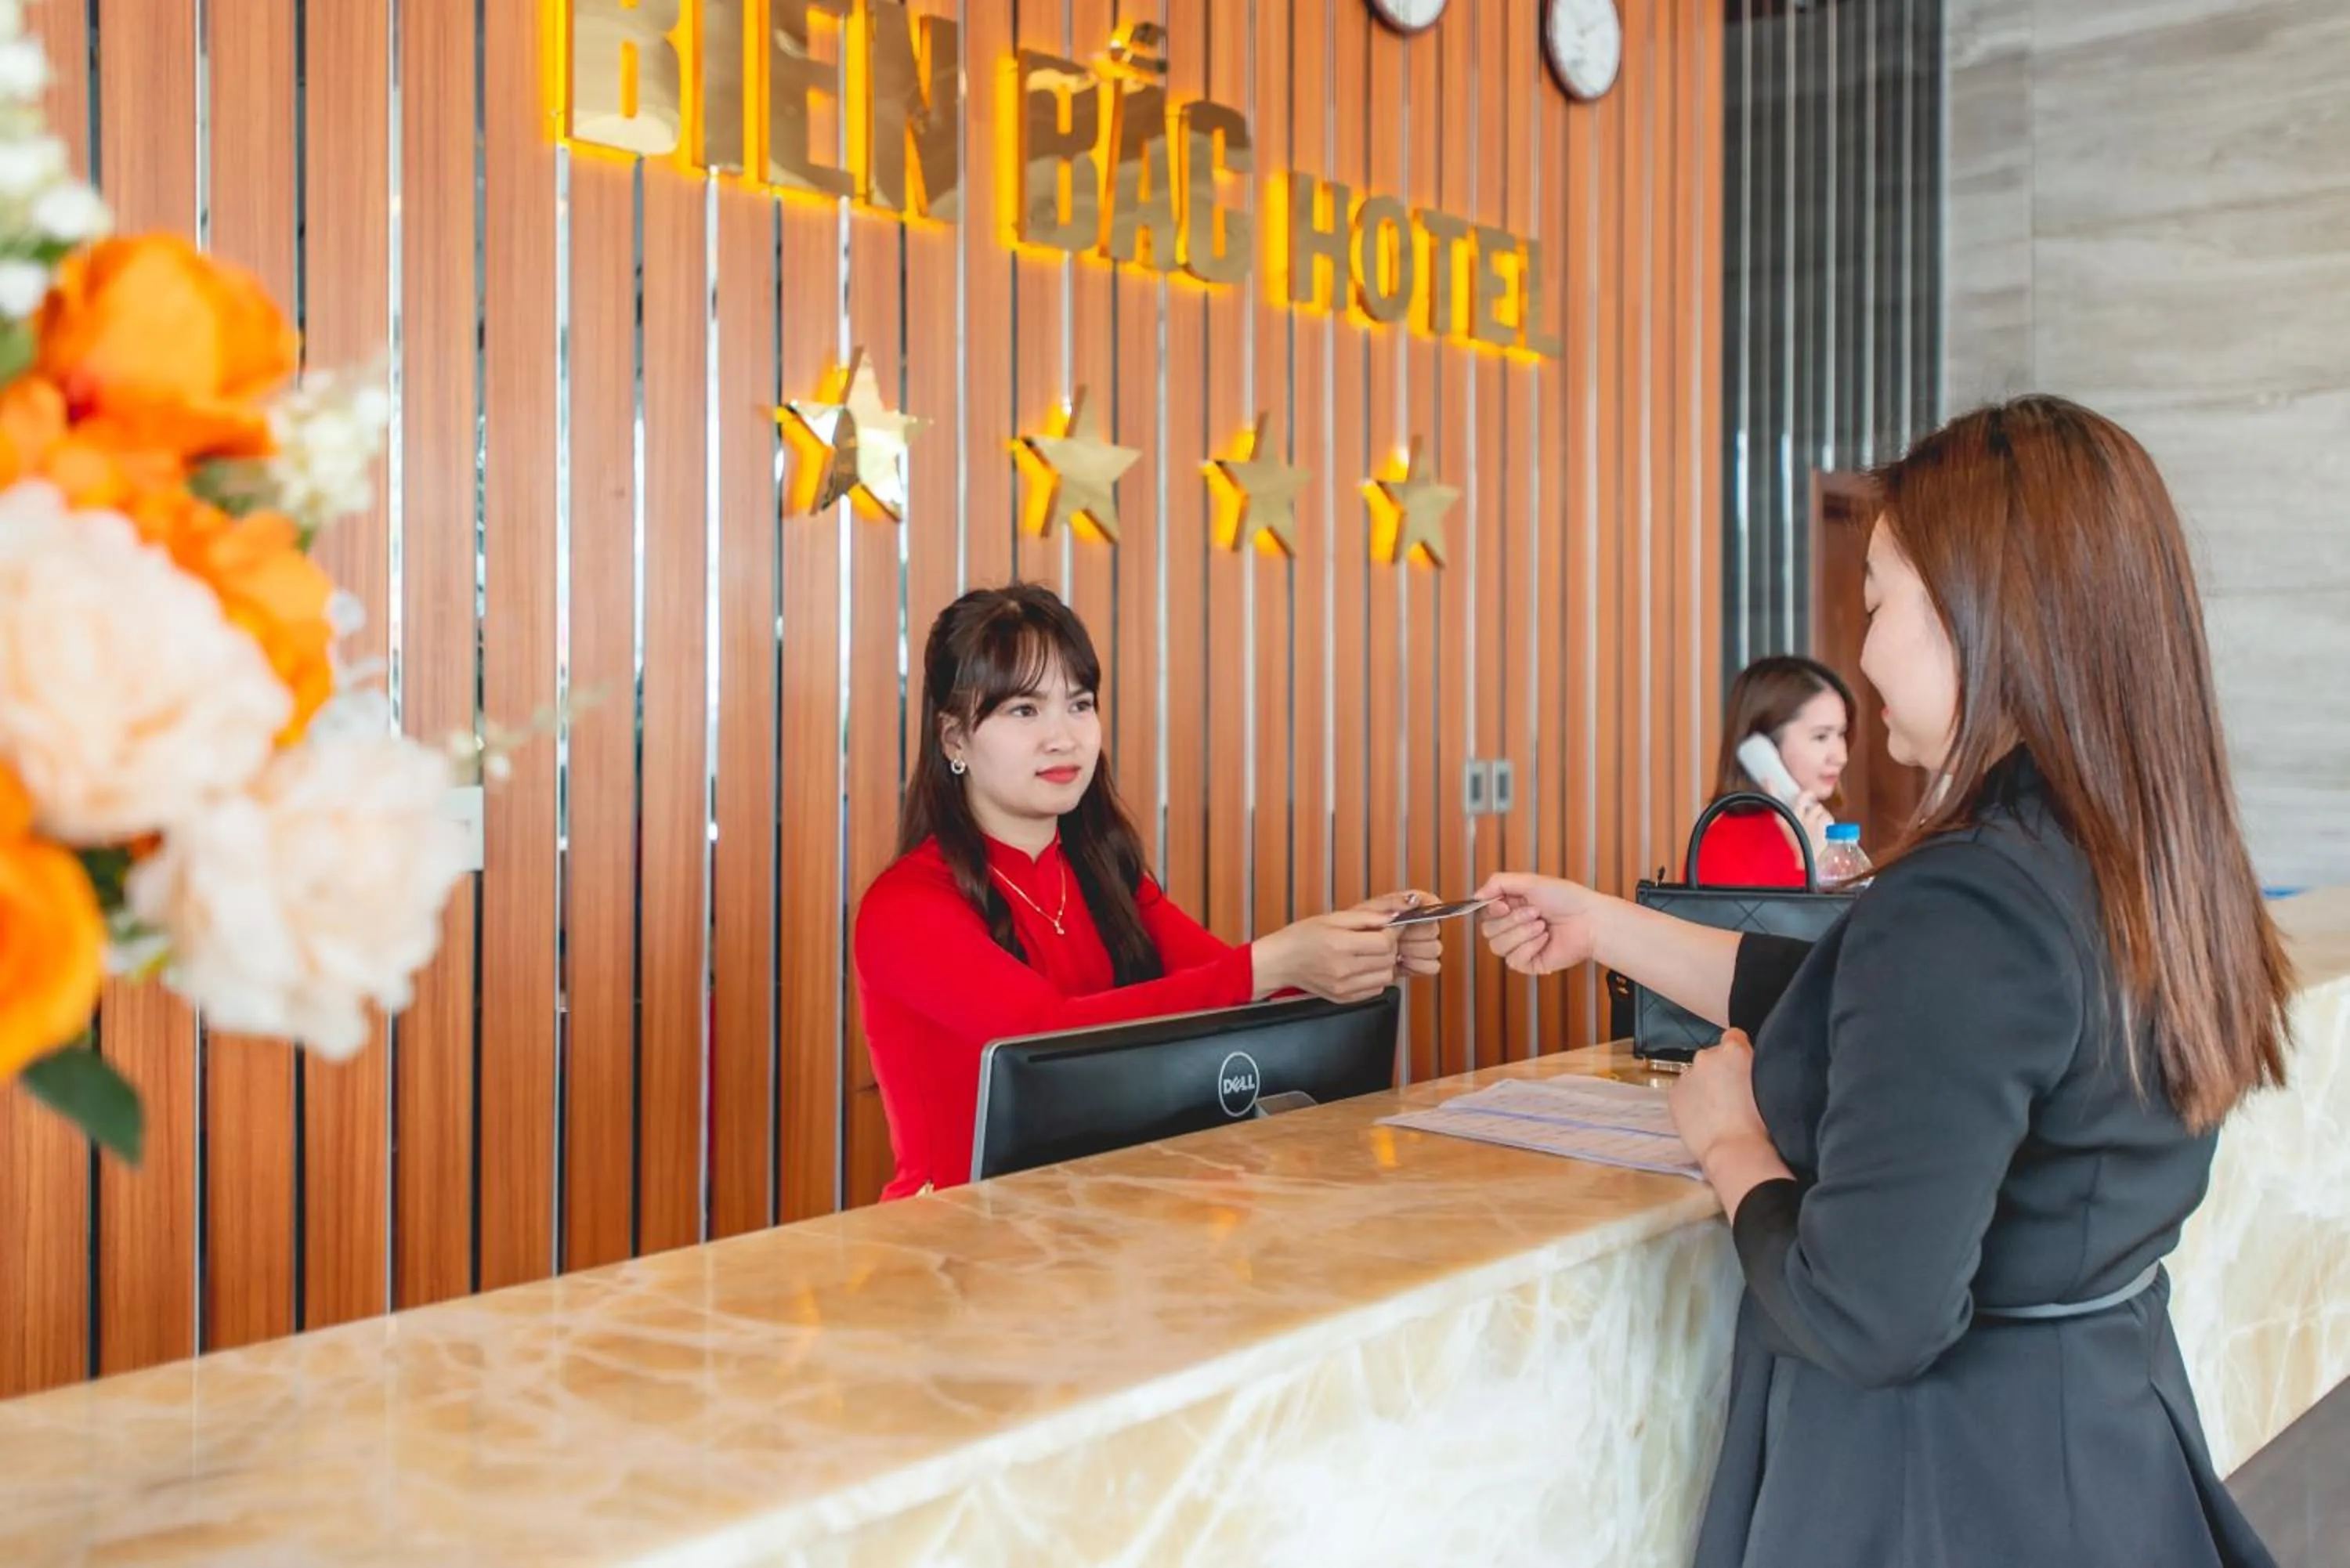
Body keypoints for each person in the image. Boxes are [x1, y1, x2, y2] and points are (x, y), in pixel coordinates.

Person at [1477, 396, 2290, 1567]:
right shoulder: (2129, 854)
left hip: (1946, 1488)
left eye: (1879, 602)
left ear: (1985, 613)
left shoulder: (1968, 899)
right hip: (2099, 1440)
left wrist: (1730, 1143)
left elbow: (1868, 1307)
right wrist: (1608, 924)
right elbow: (1863, 998)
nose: (1861, 656)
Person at [855, 583, 1441, 1200]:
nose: (1064, 736)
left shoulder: (1103, 875)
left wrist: (1368, 945)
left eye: (1079, 705)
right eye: (1023, 711)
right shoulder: (905, 907)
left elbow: (1232, 989)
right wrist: (1274, 961)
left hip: (1101, 1222)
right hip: (957, 1245)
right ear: (953, 739)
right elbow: (1041, 1039)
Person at [1694, 655, 1854, 887]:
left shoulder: (1821, 831)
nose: (1841, 757)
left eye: (1841, 735)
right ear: (1762, 747)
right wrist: (1811, 865)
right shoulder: (1720, 847)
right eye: (1821, 737)